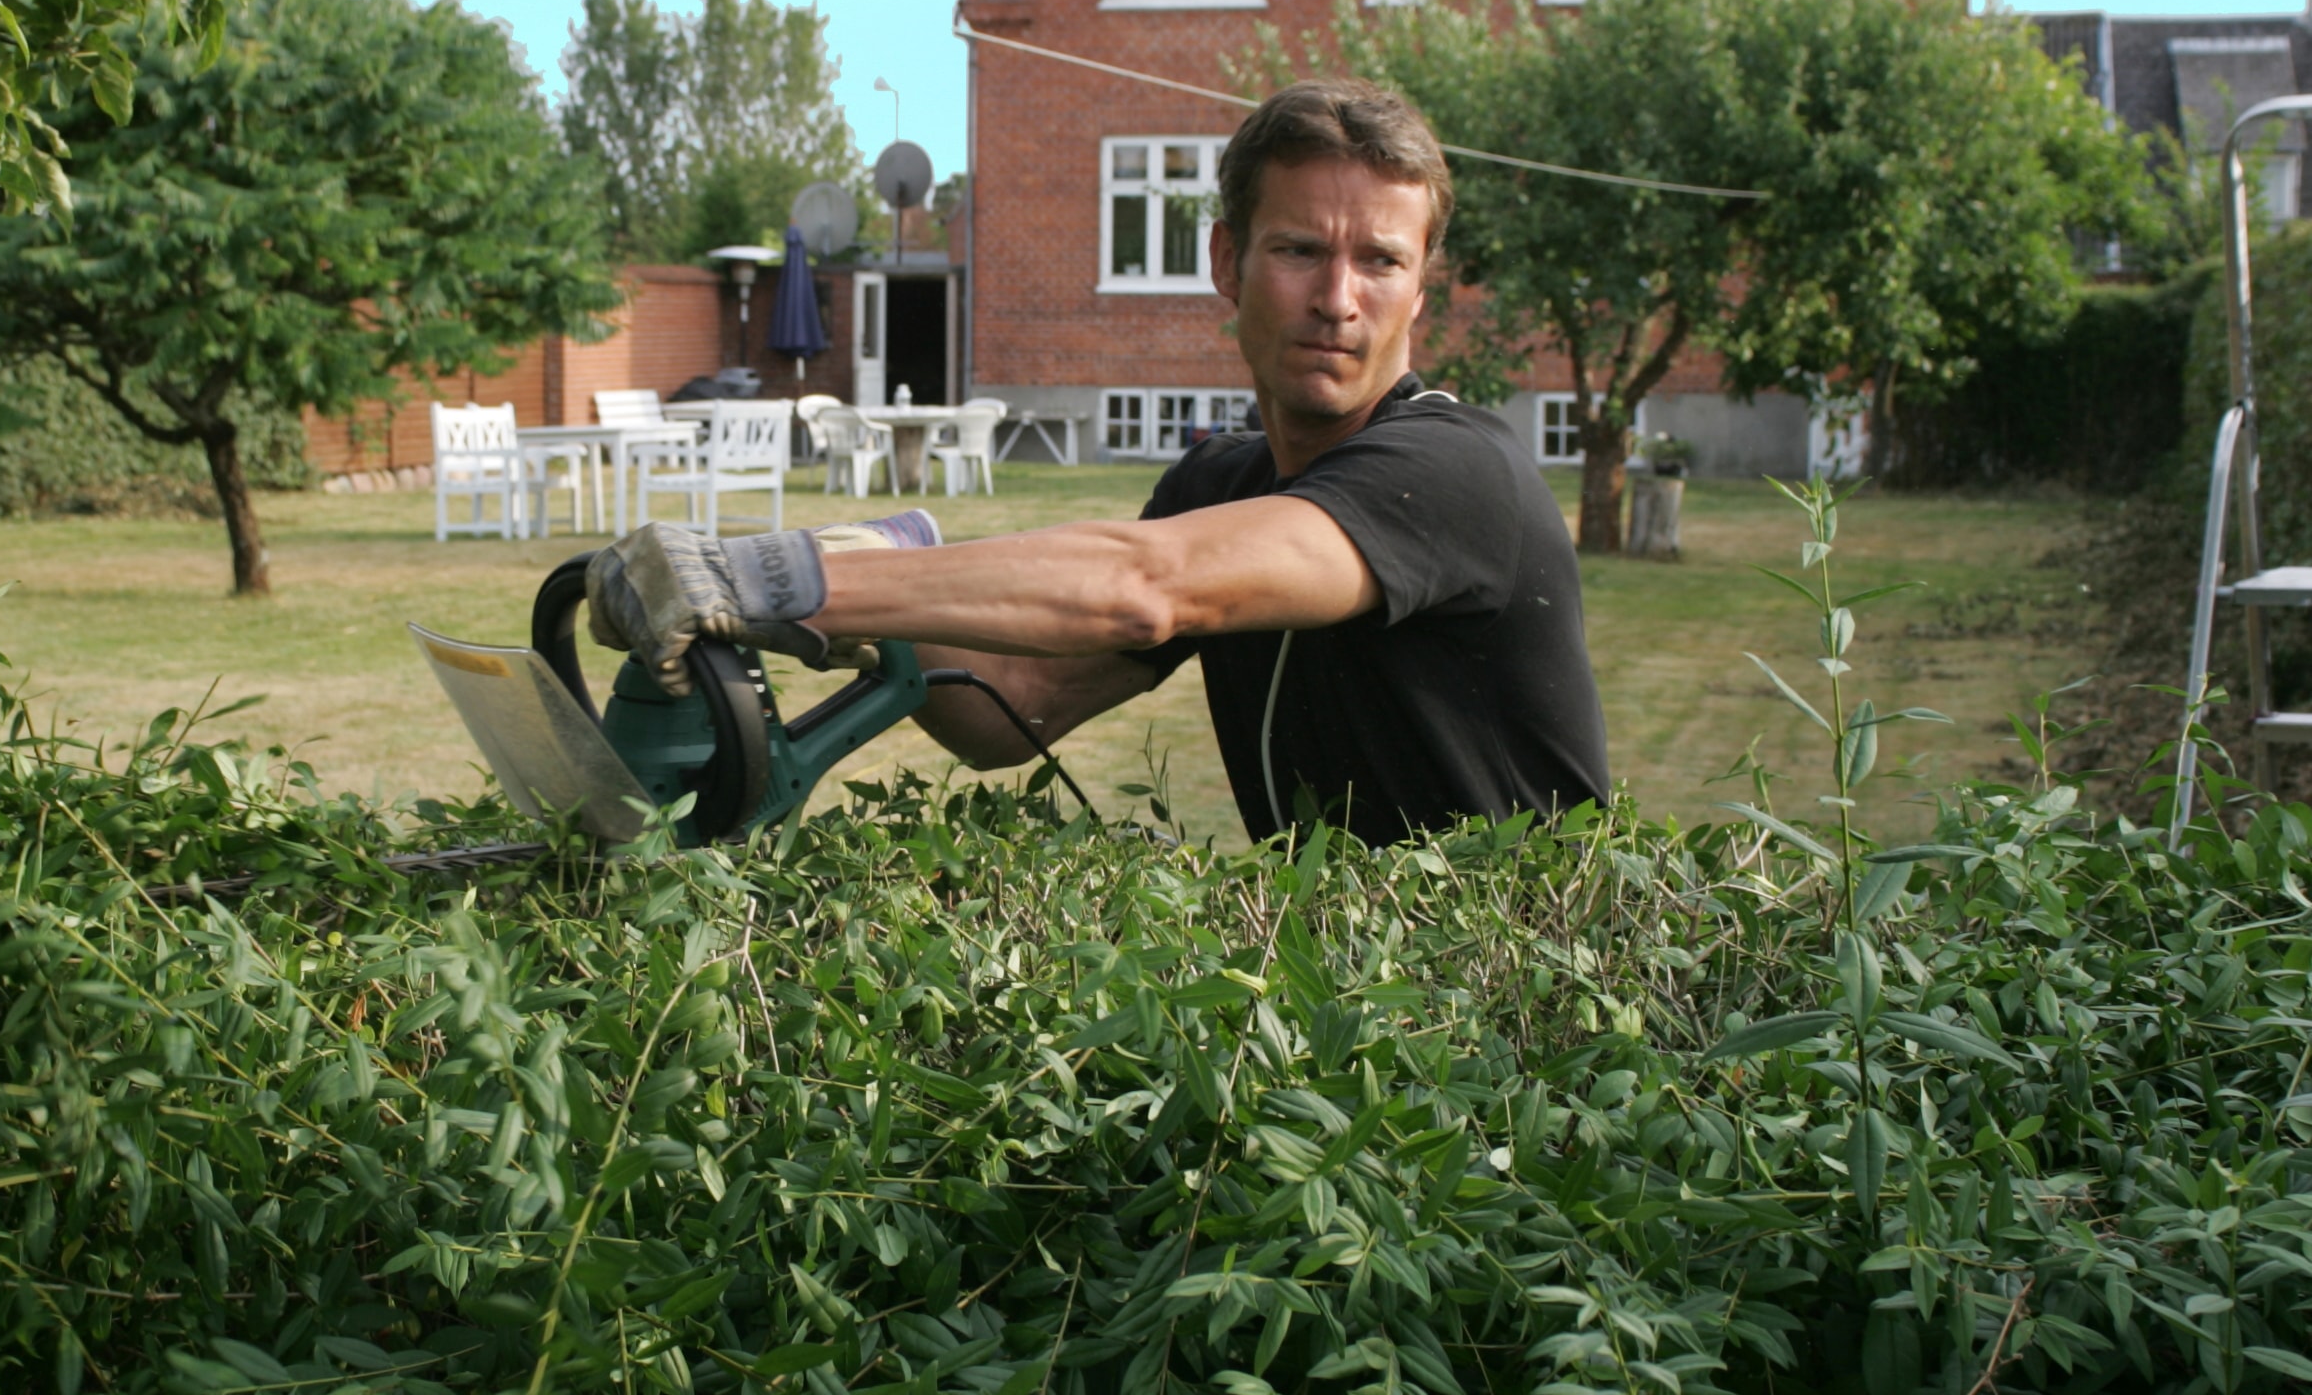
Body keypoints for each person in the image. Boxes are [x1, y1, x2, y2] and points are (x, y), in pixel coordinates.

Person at [588, 78, 1609, 843]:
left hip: (1516, 1033)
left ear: (1421, 290)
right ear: (1227, 261)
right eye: (1300, 250)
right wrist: (867, 609)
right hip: (1352, 1025)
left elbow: (1141, 587)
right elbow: (1015, 711)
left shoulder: (1457, 472)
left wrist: (772, 578)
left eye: (1381, 260)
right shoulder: (1220, 487)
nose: (1339, 298)